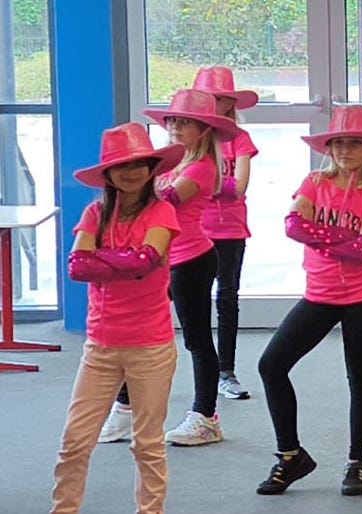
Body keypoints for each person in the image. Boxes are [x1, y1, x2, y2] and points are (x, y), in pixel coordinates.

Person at [255, 105, 362, 496]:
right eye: (338, 143)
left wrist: (319, 234)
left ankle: (357, 462)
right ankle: (290, 456)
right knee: (271, 365)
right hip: (319, 296)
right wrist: (342, 239)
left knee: (360, 379)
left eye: (355, 143)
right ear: (328, 147)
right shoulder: (314, 182)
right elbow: (292, 225)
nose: (345, 150)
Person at [51, 123, 184, 514]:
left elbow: (146, 260)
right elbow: (77, 266)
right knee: (74, 441)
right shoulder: (94, 213)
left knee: (148, 443)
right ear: (107, 174)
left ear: (152, 168)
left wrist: (102, 259)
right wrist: (125, 261)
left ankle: (150, 510)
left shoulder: (162, 211)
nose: (132, 172)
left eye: (139, 164)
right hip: (101, 346)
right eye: (122, 165)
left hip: (150, 347)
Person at [141, 89, 240, 446]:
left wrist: (130, 183)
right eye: (172, 121)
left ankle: (206, 418)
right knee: (138, 330)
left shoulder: (202, 167)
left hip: (190, 261)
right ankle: (125, 408)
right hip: (163, 260)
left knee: (197, 339)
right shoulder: (169, 164)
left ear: (204, 130)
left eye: (185, 123)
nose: (175, 128)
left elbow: (163, 200)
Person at [195, 66, 261, 401]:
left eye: (220, 99)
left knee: (226, 298)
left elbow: (239, 187)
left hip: (231, 230)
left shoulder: (240, 139)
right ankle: (194, 371)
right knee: (186, 301)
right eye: (207, 98)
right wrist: (214, 184)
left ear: (230, 104)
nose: (213, 104)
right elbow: (172, 184)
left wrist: (201, 182)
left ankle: (226, 372)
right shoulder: (190, 140)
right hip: (192, 232)